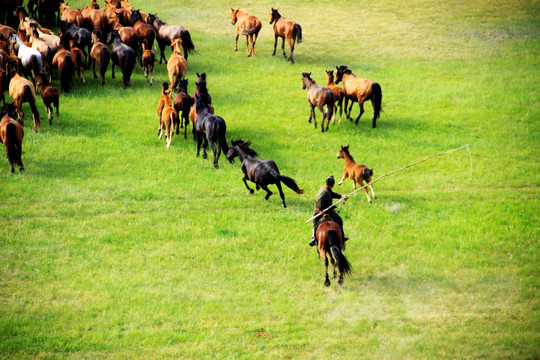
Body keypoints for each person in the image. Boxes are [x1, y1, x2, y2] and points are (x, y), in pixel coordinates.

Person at [310, 175, 349, 246]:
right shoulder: (325, 193)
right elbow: (319, 201)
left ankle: (313, 238)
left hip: (326, 208)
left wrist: (341, 196)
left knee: (316, 222)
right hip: (320, 210)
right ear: (333, 185)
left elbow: (332, 194)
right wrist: (321, 210)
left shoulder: (325, 188)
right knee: (338, 220)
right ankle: (313, 238)